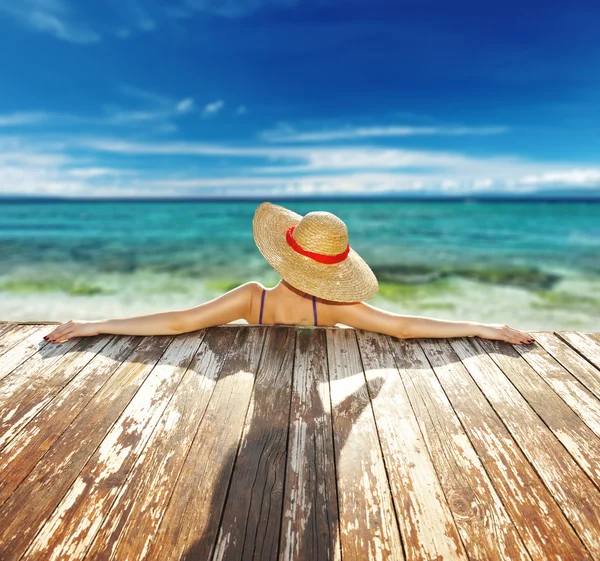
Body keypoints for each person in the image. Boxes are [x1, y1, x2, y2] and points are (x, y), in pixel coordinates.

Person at [43, 201, 535, 346]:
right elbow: (405, 327)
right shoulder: (339, 310)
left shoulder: (251, 300)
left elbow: (177, 322)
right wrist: (481, 327)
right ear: (335, 268)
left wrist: (95, 324)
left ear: (283, 254)